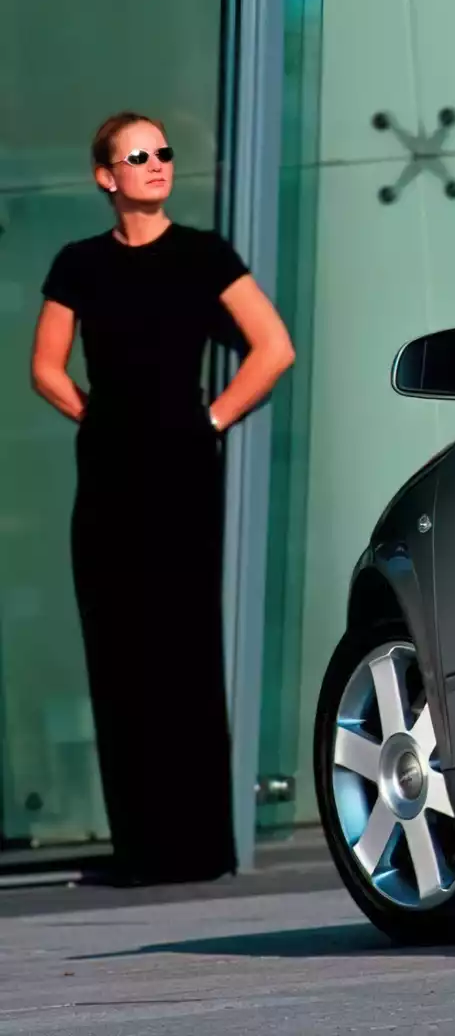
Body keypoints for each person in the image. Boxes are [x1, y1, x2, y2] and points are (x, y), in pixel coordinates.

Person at [28, 112, 295, 886]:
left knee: (183, 647)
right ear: (106, 176)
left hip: (181, 471)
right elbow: (45, 367)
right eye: (138, 155)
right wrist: (95, 417)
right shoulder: (80, 263)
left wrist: (210, 419)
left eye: (164, 152)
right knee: (118, 651)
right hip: (108, 477)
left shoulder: (203, 255)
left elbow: (273, 348)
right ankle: (139, 851)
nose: (156, 163)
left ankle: (199, 849)